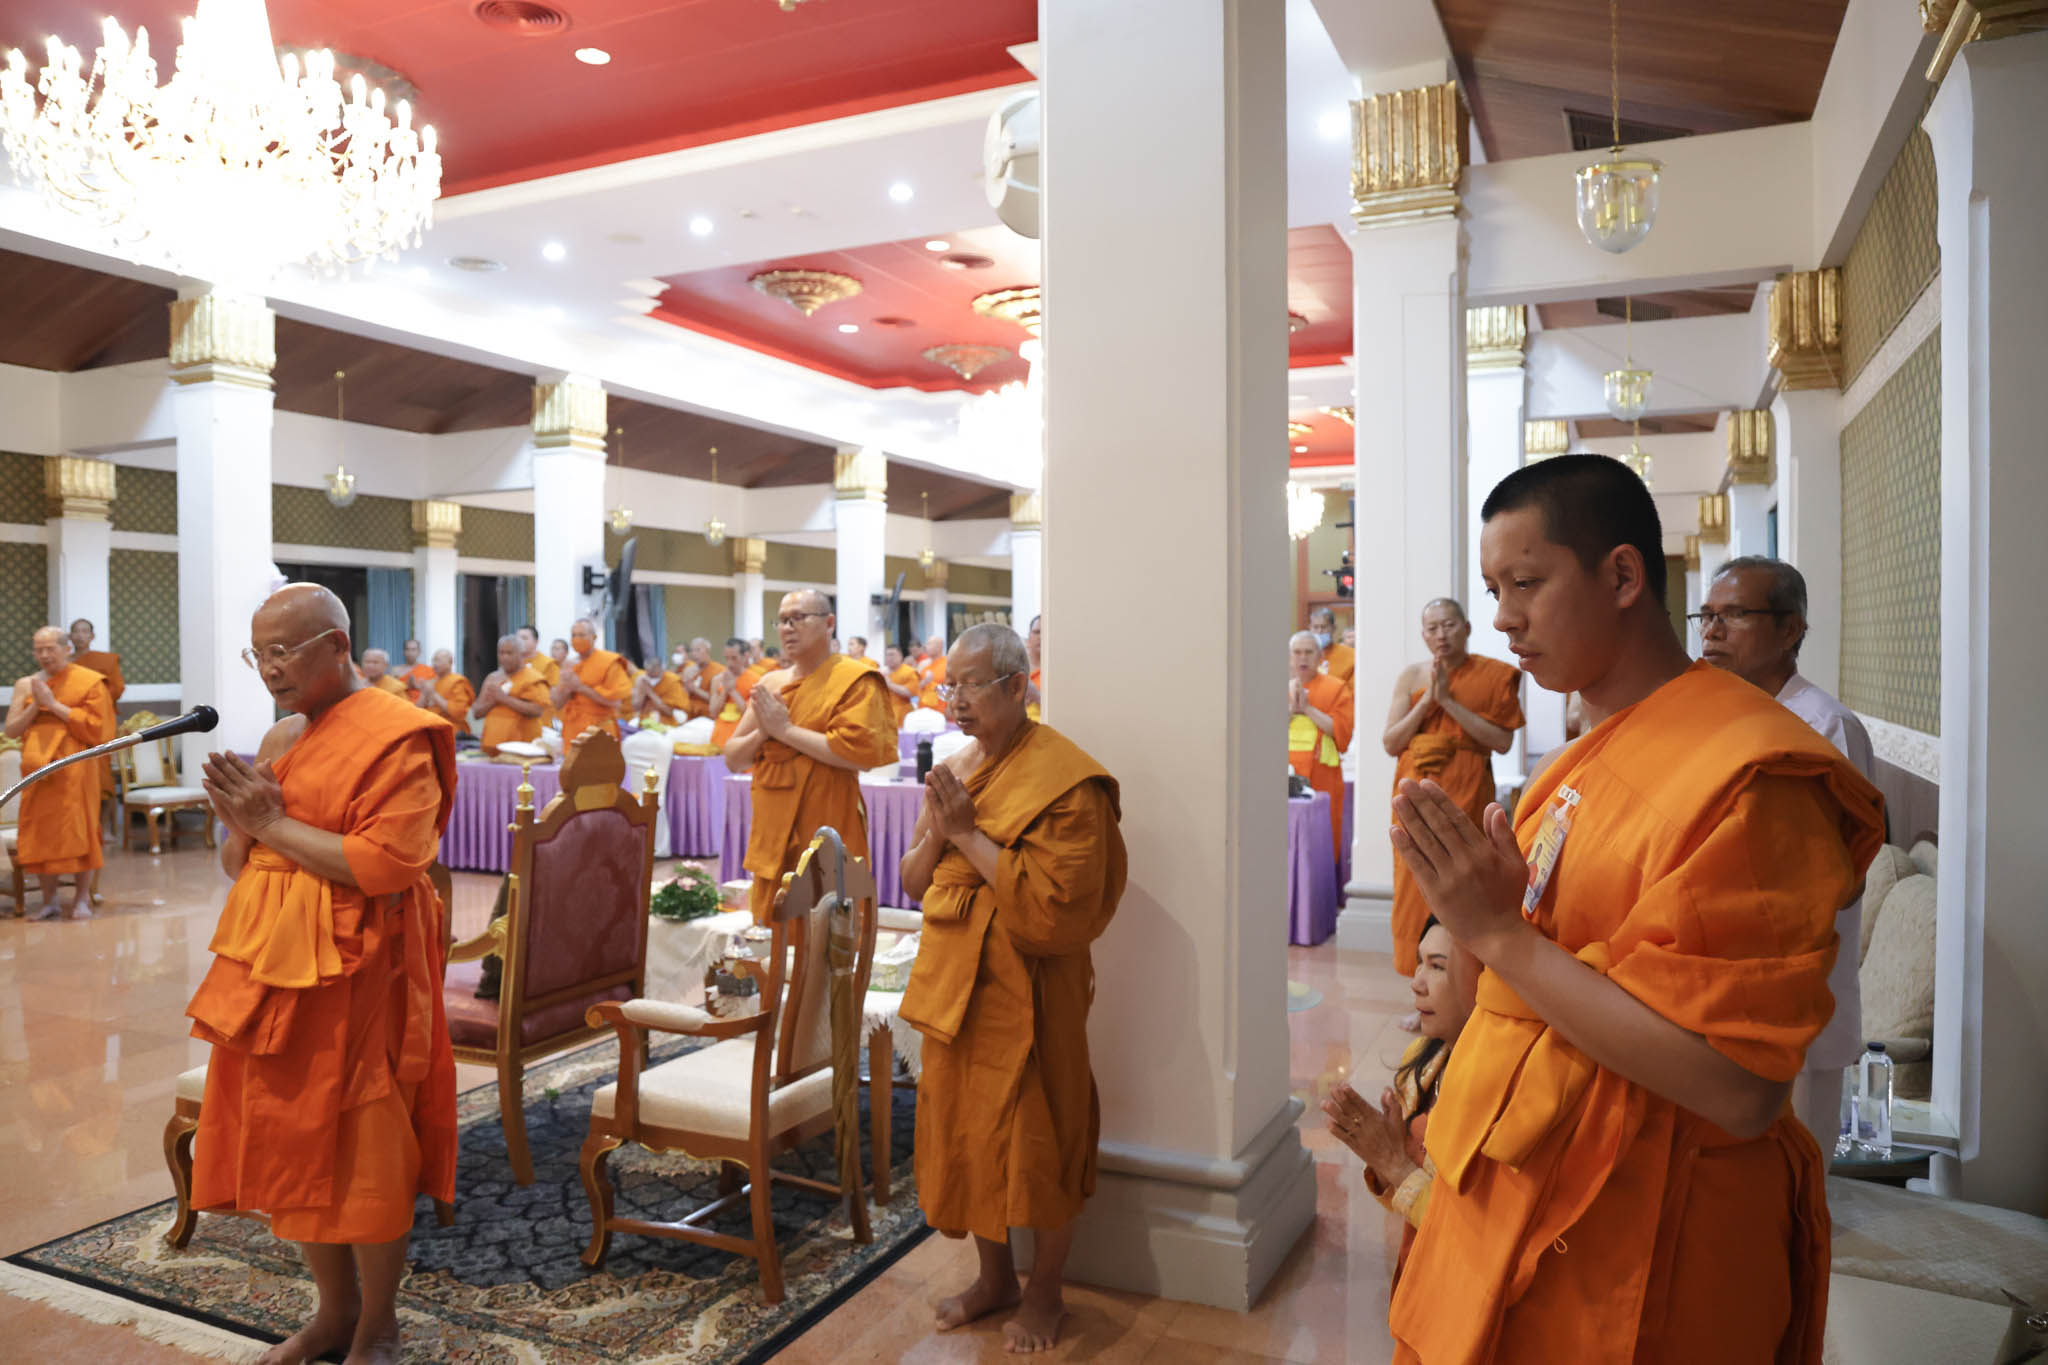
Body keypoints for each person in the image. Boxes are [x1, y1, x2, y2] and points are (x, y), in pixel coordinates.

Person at [1384, 456, 1884, 1364]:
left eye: (1526, 583)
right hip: (1520, 1202)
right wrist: (1476, 928)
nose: (1503, 617)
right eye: (1494, 590)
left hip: (1655, 1243)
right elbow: (1535, 977)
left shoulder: (1753, 777)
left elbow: (1739, 1086)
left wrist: (1497, 934)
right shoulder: (1576, 763)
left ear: (1621, 576)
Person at [187, 583, 458, 1365]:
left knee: (367, 1148)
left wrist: (270, 822)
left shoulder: (398, 737)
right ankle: (333, 1314)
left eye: (283, 651)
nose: (270, 668)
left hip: (360, 969)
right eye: (259, 654)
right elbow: (240, 863)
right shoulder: (282, 736)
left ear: (337, 646)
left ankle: (380, 1324)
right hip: (272, 962)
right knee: (294, 1137)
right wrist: (245, 826)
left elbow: (385, 864)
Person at [899, 623, 1125, 1355]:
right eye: (950, 685)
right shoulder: (957, 767)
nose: (956, 700)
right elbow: (911, 880)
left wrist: (967, 834)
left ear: (1018, 685)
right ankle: (993, 1278)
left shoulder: (1066, 781)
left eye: (971, 685)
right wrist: (943, 831)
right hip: (954, 986)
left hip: (1032, 987)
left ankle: (1045, 1290)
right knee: (965, 1134)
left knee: (1041, 1135)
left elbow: (1056, 913)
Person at [1700, 555, 1877, 1146]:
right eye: (1706, 615)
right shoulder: (1723, 717)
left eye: (1733, 615)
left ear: (1790, 629)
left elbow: (1836, 876)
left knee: (1797, 1175)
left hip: (1799, 996)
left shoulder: (1824, 727)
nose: (1711, 631)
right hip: (1728, 996)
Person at [722, 590, 897, 924]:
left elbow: (859, 755)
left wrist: (785, 730)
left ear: (829, 623)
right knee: (773, 930)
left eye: (799, 618)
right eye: (782, 621)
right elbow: (733, 757)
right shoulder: (771, 683)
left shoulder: (853, 679)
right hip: (773, 828)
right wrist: (765, 732)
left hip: (826, 821)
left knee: (826, 928)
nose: (788, 628)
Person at [1322, 917, 1477, 1288]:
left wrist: (1393, 1162)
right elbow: (1405, 1201)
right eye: (1420, 962)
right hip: (1419, 1265)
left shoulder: (1499, 1095)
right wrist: (1385, 1159)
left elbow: (1475, 1239)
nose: (1416, 982)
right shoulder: (1422, 1059)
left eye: (1437, 966)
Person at [1381, 598, 1522, 978]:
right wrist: (1429, 700)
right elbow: (1391, 742)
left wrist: (1448, 701)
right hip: (1414, 795)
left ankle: (1463, 978)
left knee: (1462, 883)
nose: (1441, 635)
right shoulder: (1412, 676)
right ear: (1423, 635)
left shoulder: (1494, 675)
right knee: (1413, 886)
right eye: (1432, 628)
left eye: (1449, 625)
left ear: (1467, 628)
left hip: (1467, 793)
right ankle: (1418, 977)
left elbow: (1502, 741)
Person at [6, 626, 113, 920]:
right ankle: (49, 901)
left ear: (66, 649)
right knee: (40, 833)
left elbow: (99, 730)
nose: (44, 655)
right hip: (37, 770)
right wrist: (36, 707)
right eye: (38, 649)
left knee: (80, 830)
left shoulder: (88, 681)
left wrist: (53, 705)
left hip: (76, 768)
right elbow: (11, 730)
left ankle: (81, 899)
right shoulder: (26, 684)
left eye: (50, 648)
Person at [1288, 630, 1354, 863]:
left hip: (1322, 773)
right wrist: (1290, 710)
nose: (1302, 658)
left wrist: (1307, 709)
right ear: (1289, 657)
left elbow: (1342, 733)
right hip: (1285, 771)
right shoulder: (1276, 686)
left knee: (1321, 838)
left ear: (1320, 657)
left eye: (1308, 652)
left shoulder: (1336, 688)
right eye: (1297, 652)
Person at [69, 618, 124, 808]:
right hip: (72, 720)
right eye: (76, 631)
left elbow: (117, 689)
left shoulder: (105, 661)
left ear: (92, 636)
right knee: (73, 768)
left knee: (101, 770)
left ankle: (104, 822)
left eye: (85, 631)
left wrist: (94, 700)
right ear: (70, 636)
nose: (80, 635)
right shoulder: (64, 662)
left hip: (98, 720)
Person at [552, 619, 631, 746]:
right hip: (573, 730)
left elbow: (615, 702)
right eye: (574, 635)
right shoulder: (569, 665)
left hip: (600, 730)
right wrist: (565, 687)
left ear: (594, 637)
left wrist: (580, 688)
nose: (577, 639)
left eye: (581, 635)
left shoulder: (608, 662)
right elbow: (557, 704)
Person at [472, 634, 551, 756]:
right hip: (493, 745)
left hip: (523, 747)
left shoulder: (533, 678)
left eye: (509, 653)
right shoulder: (492, 678)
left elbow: (537, 710)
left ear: (521, 654)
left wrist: (504, 699)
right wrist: (493, 701)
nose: (505, 657)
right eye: (501, 653)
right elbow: (477, 713)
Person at [413, 649, 474, 738]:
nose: (434, 664)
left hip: (450, 730)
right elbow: (417, 711)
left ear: (450, 662)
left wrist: (433, 694)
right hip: (430, 729)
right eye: (433, 660)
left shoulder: (457, 681)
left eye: (438, 660)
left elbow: (458, 712)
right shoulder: (430, 683)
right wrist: (424, 692)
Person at [707, 638, 752, 748]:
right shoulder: (717, 680)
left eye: (734, 658)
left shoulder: (755, 680)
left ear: (745, 656)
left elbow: (749, 714)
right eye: (727, 658)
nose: (730, 663)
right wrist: (725, 690)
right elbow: (713, 712)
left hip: (742, 734)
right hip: (720, 734)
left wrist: (732, 691)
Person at [629, 653, 689, 724]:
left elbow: (670, 712)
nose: (648, 674)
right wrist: (640, 690)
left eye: (652, 671)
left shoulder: (672, 681)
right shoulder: (643, 679)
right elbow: (636, 708)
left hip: (667, 722)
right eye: (647, 671)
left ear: (660, 668)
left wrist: (650, 693)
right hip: (646, 720)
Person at [680, 637, 725, 720]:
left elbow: (718, 701)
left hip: (707, 717)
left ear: (708, 651)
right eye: (692, 651)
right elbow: (682, 696)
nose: (694, 654)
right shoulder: (688, 670)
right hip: (689, 715)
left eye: (698, 650)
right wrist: (685, 685)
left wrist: (694, 689)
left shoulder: (719, 671)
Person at [1311, 605, 1354, 685]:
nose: (1319, 631)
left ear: (1334, 628)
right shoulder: (1304, 655)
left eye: (1324, 627)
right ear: (1310, 628)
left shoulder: (1351, 655)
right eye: (1315, 627)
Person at [882, 645, 919, 724]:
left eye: (892, 654)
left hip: (903, 714)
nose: (889, 658)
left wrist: (890, 684)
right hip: (884, 714)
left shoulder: (909, 672)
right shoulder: (881, 672)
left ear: (900, 656)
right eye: (887, 655)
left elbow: (910, 692)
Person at [917, 634, 949, 712]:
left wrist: (934, 685)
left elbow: (951, 693)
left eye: (929, 644)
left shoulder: (948, 664)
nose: (926, 647)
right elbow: (914, 688)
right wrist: (925, 682)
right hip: (923, 708)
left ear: (939, 647)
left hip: (941, 710)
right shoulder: (922, 664)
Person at [1025, 615, 1044, 721]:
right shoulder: (1015, 670)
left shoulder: (1060, 673)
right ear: (1028, 641)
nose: (1041, 637)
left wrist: (1037, 696)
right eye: (1037, 632)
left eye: (1045, 633)